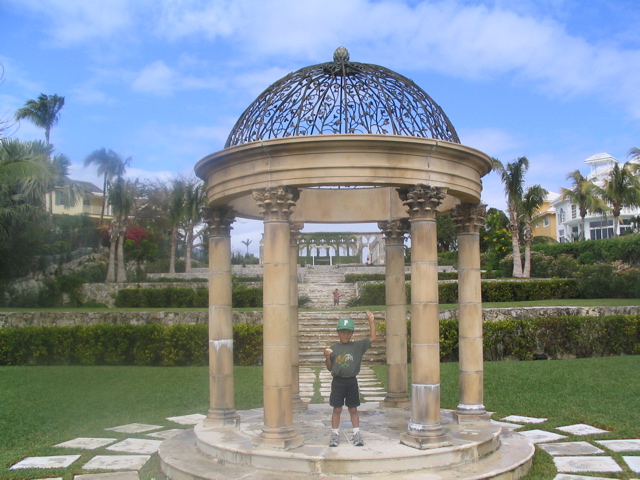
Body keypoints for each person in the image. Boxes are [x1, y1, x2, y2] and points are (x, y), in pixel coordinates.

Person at [323, 311, 376, 447]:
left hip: (351, 381)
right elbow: (330, 367)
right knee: (337, 409)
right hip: (338, 382)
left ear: (352, 334)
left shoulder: (357, 346)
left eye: (348, 332)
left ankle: (357, 434)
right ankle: (334, 434)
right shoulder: (333, 348)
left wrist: (371, 321)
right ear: (338, 333)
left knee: (353, 409)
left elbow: (373, 338)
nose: (345, 335)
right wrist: (328, 357)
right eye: (342, 332)